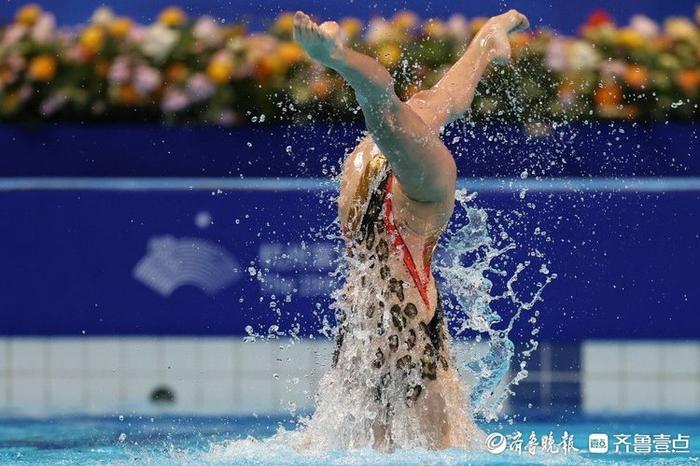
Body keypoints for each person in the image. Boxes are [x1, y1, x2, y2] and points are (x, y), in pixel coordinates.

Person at [293, 9, 529, 451]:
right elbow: (448, 95)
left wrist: (339, 58)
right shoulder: (398, 151)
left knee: (422, 449)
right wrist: (484, 41)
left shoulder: (422, 175)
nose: (421, 105)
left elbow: (378, 94)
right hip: (373, 334)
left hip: (404, 341)